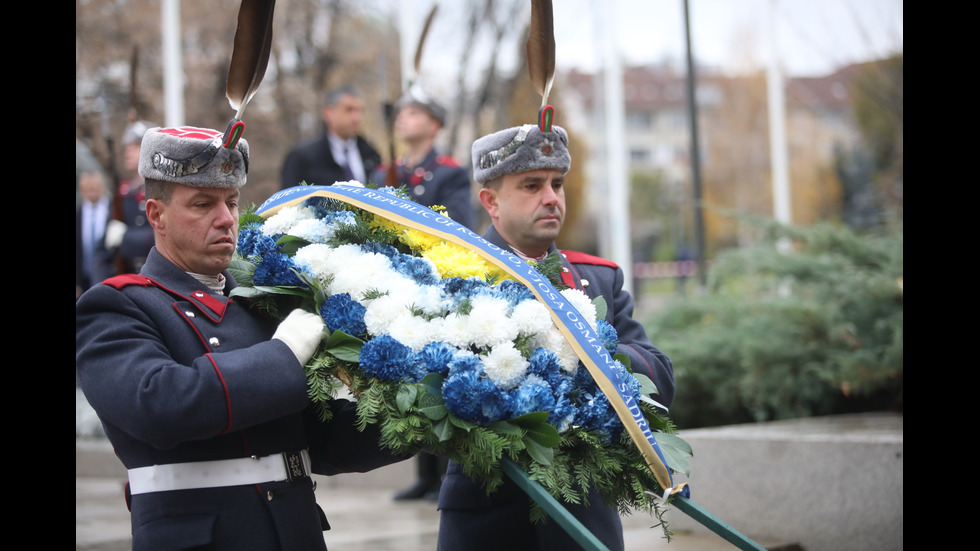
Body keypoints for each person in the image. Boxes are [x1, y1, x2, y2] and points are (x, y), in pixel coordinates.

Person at [76, 126, 408, 550]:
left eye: (231, 202)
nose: (227, 219)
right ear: (156, 215)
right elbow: (160, 405)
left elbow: (317, 441)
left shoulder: (259, 304)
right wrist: (283, 355)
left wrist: (419, 422)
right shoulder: (118, 306)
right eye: (203, 204)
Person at [436, 123, 676, 551]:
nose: (551, 197)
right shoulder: (451, 280)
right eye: (532, 185)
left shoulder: (597, 279)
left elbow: (659, 378)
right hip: (489, 517)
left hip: (584, 512)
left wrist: (589, 351)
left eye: (557, 183)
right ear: (490, 201)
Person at [371, 89, 477, 231]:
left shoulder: (451, 173)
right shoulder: (384, 173)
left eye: (413, 113)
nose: (402, 118)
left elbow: (458, 225)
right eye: (401, 112)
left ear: (434, 125)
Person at [281, 86, 382, 188]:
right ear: (328, 112)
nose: (356, 118)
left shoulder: (370, 154)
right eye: (349, 110)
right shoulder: (302, 157)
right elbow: (289, 199)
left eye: (360, 111)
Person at [110, 118, 157, 274]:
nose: (128, 152)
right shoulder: (125, 193)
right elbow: (104, 251)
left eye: (136, 146)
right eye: (128, 147)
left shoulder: (159, 190)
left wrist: (125, 237)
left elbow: (160, 236)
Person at [76, 170, 116, 298]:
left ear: (102, 188)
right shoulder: (78, 214)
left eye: (94, 188)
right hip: (83, 280)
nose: (90, 192)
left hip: (110, 277)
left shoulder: (114, 210)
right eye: (87, 189)